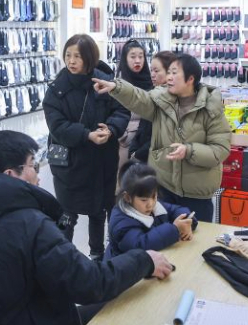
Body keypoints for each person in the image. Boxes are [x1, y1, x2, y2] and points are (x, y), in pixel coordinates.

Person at [0, 130, 174, 325]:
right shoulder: (29, 224)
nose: (38, 174)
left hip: (14, 315)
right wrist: (144, 261)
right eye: (32, 165)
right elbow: (89, 283)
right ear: (11, 175)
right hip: (37, 318)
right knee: (132, 303)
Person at [92, 53, 230, 222]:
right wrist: (116, 88)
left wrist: (189, 150)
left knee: (195, 241)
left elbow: (220, 150)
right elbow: (138, 98)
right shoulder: (162, 101)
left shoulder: (211, 108)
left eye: (174, 73)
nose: (168, 77)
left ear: (190, 79)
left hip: (197, 195)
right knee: (164, 241)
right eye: (169, 72)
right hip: (163, 189)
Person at [43, 34, 130, 261]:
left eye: (77, 56)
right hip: (69, 163)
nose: (71, 61)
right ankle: (63, 258)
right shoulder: (56, 89)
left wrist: (110, 129)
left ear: (89, 58)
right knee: (66, 212)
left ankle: (97, 255)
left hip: (101, 160)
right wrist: (86, 135)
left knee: (98, 210)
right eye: (68, 55)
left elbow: (122, 111)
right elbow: (57, 125)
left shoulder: (105, 82)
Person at [105, 160, 197, 259]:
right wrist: (174, 229)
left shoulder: (154, 205)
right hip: (123, 271)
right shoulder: (121, 222)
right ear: (127, 197)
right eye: (144, 200)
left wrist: (186, 221)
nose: (151, 204)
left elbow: (175, 210)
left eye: (154, 196)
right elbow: (140, 245)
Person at [128, 50, 176, 162]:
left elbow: (162, 137)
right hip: (142, 155)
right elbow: (142, 126)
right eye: (151, 70)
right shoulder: (151, 94)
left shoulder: (172, 99)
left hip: (158, 159)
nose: (152, 74)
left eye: (156, 71)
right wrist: (133, 150)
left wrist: (138, 154)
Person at [116, 39, 153, 166]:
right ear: (125, 59)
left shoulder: (151, 81)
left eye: (140, 56)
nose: (137, 60)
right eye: (132, 57)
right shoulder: (118, 85)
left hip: (146, 143)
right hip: (124, 142)